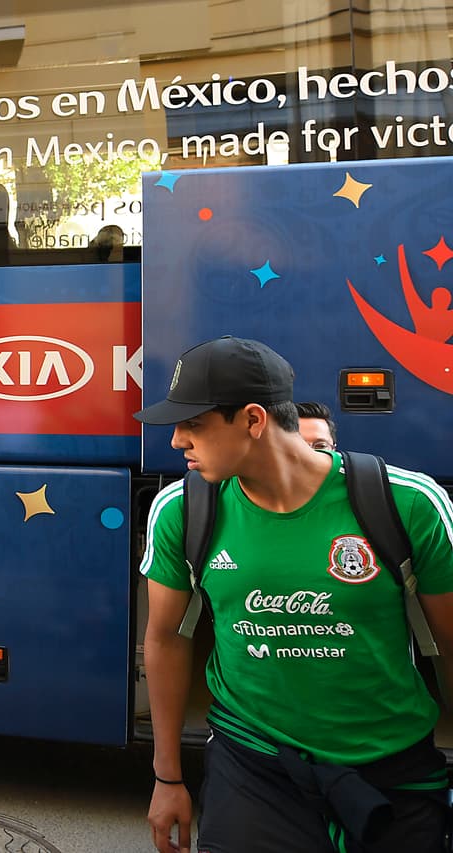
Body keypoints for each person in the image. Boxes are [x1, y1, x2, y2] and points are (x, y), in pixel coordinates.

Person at [136, 336, 453, 853]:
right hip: (254, 764)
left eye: (193, 423)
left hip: (393, 769)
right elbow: (166, 638)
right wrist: (167, 778)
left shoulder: (407, 502)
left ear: (253, 420)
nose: (176, 441)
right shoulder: (182, 510)